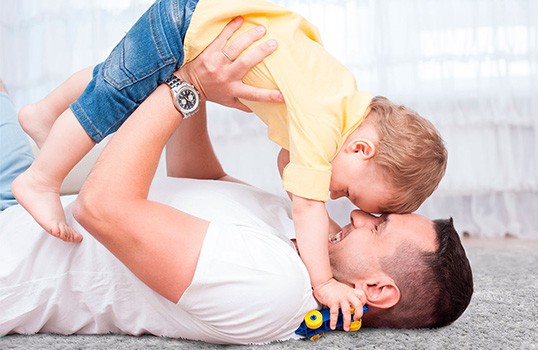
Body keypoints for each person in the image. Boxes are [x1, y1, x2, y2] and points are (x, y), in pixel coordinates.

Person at [0, 27, 472, 344]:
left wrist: (185, 88)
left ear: (376, 289)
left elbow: (101, 208)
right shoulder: (306, 243)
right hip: (28, 197)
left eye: (379, 226)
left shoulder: (275, 286)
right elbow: (197, 177)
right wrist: (202, 71)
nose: (357, 214)